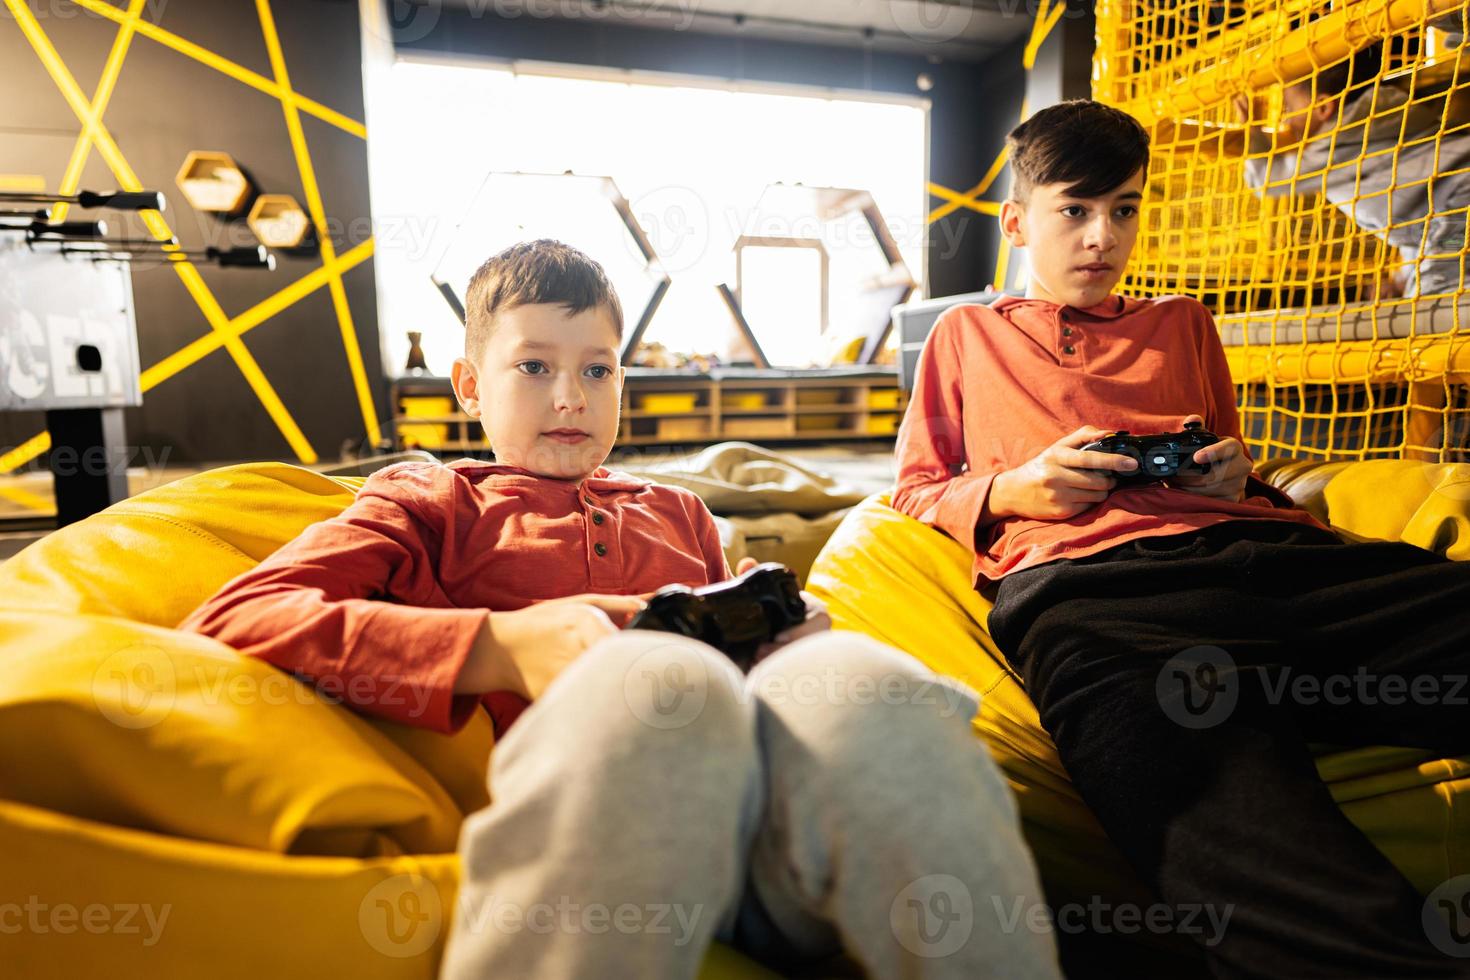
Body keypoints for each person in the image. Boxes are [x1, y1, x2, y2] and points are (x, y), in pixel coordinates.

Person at [181, 240, 1062, 978]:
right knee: (657, 673)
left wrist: (780, 639)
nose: (570, 396)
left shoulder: (678, 509)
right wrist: (501, 645)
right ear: (468, 385)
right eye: (533, 367)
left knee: (863, 682)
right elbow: (239, 616)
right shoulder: (431, 498)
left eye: (596, 369)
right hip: (610, 844)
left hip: (772, 848)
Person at [893, 99, 1470, 977]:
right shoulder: (966, 335)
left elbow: (1240, 467)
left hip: (1276, 565)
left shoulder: (1184, 321)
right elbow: (916, 490)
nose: (1103, 236)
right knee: (1239, 856)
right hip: (1102, 603)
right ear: (1018, 222)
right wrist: (1019, 487)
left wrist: (1238, 477)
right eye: (1075, 211)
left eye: (1124, 208)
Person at [1237, 17, 1470, 298]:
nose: (1286, 119)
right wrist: (1402, 278)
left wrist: (1251, 126)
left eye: (1289, 107)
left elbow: (1266, 180)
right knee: (1431, 289)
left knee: (1438, 298)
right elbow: (1421, 218)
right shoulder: (1383, 114)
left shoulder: (1334, 143)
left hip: (1461, 206)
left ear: (1323, 107)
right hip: (1455, 211)